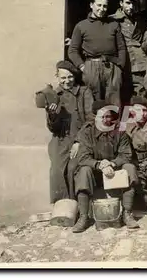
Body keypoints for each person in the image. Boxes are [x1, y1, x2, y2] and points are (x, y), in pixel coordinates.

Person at [68, 101, 140, 233]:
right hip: (95, 173)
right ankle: (83, 217)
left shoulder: (120, 132)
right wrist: (99, 165)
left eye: (108, 116)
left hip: (114, 171)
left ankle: (127, 213)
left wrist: (112, 163)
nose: (106, 120)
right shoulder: (87, 132)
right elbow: (83, 157)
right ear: (95, 117)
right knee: (83, 171)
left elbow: (126, 155)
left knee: (130, 168)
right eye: (102, 117)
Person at [35, 61, 94, 209]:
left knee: (73, 168)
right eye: (63, 78)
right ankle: (62, 208)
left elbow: (91, 119)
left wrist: (78, 141)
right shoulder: (54, 95)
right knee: (57, 170)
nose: (67, 81)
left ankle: (79, 208)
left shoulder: (84, 92)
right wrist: (52, 115)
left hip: (81, 138)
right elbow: (52, 128)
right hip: (60, 139)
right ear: (57, 77)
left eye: (70, 77)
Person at [67, 0, 128, 107]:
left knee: (114, 104)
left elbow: (121, 48)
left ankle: (114, 125)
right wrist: (83, 67)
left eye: (105, 6)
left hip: (112, 68)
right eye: (99, 5)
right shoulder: (81, 26)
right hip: (91, 68)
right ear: (91, 5)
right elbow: (72, 50)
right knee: (93, 103)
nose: (102, 9)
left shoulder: (114, 24)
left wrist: (120, 66)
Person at [109, 0, 147, 103]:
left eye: (133, 4)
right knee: (120, 97)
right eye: (128, 3)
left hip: (139, 64)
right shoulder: (111, 20)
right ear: (121, 3)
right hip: (121, 63)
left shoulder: (141, 21)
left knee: (140, 96)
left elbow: (144, 44)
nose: (131, 7)